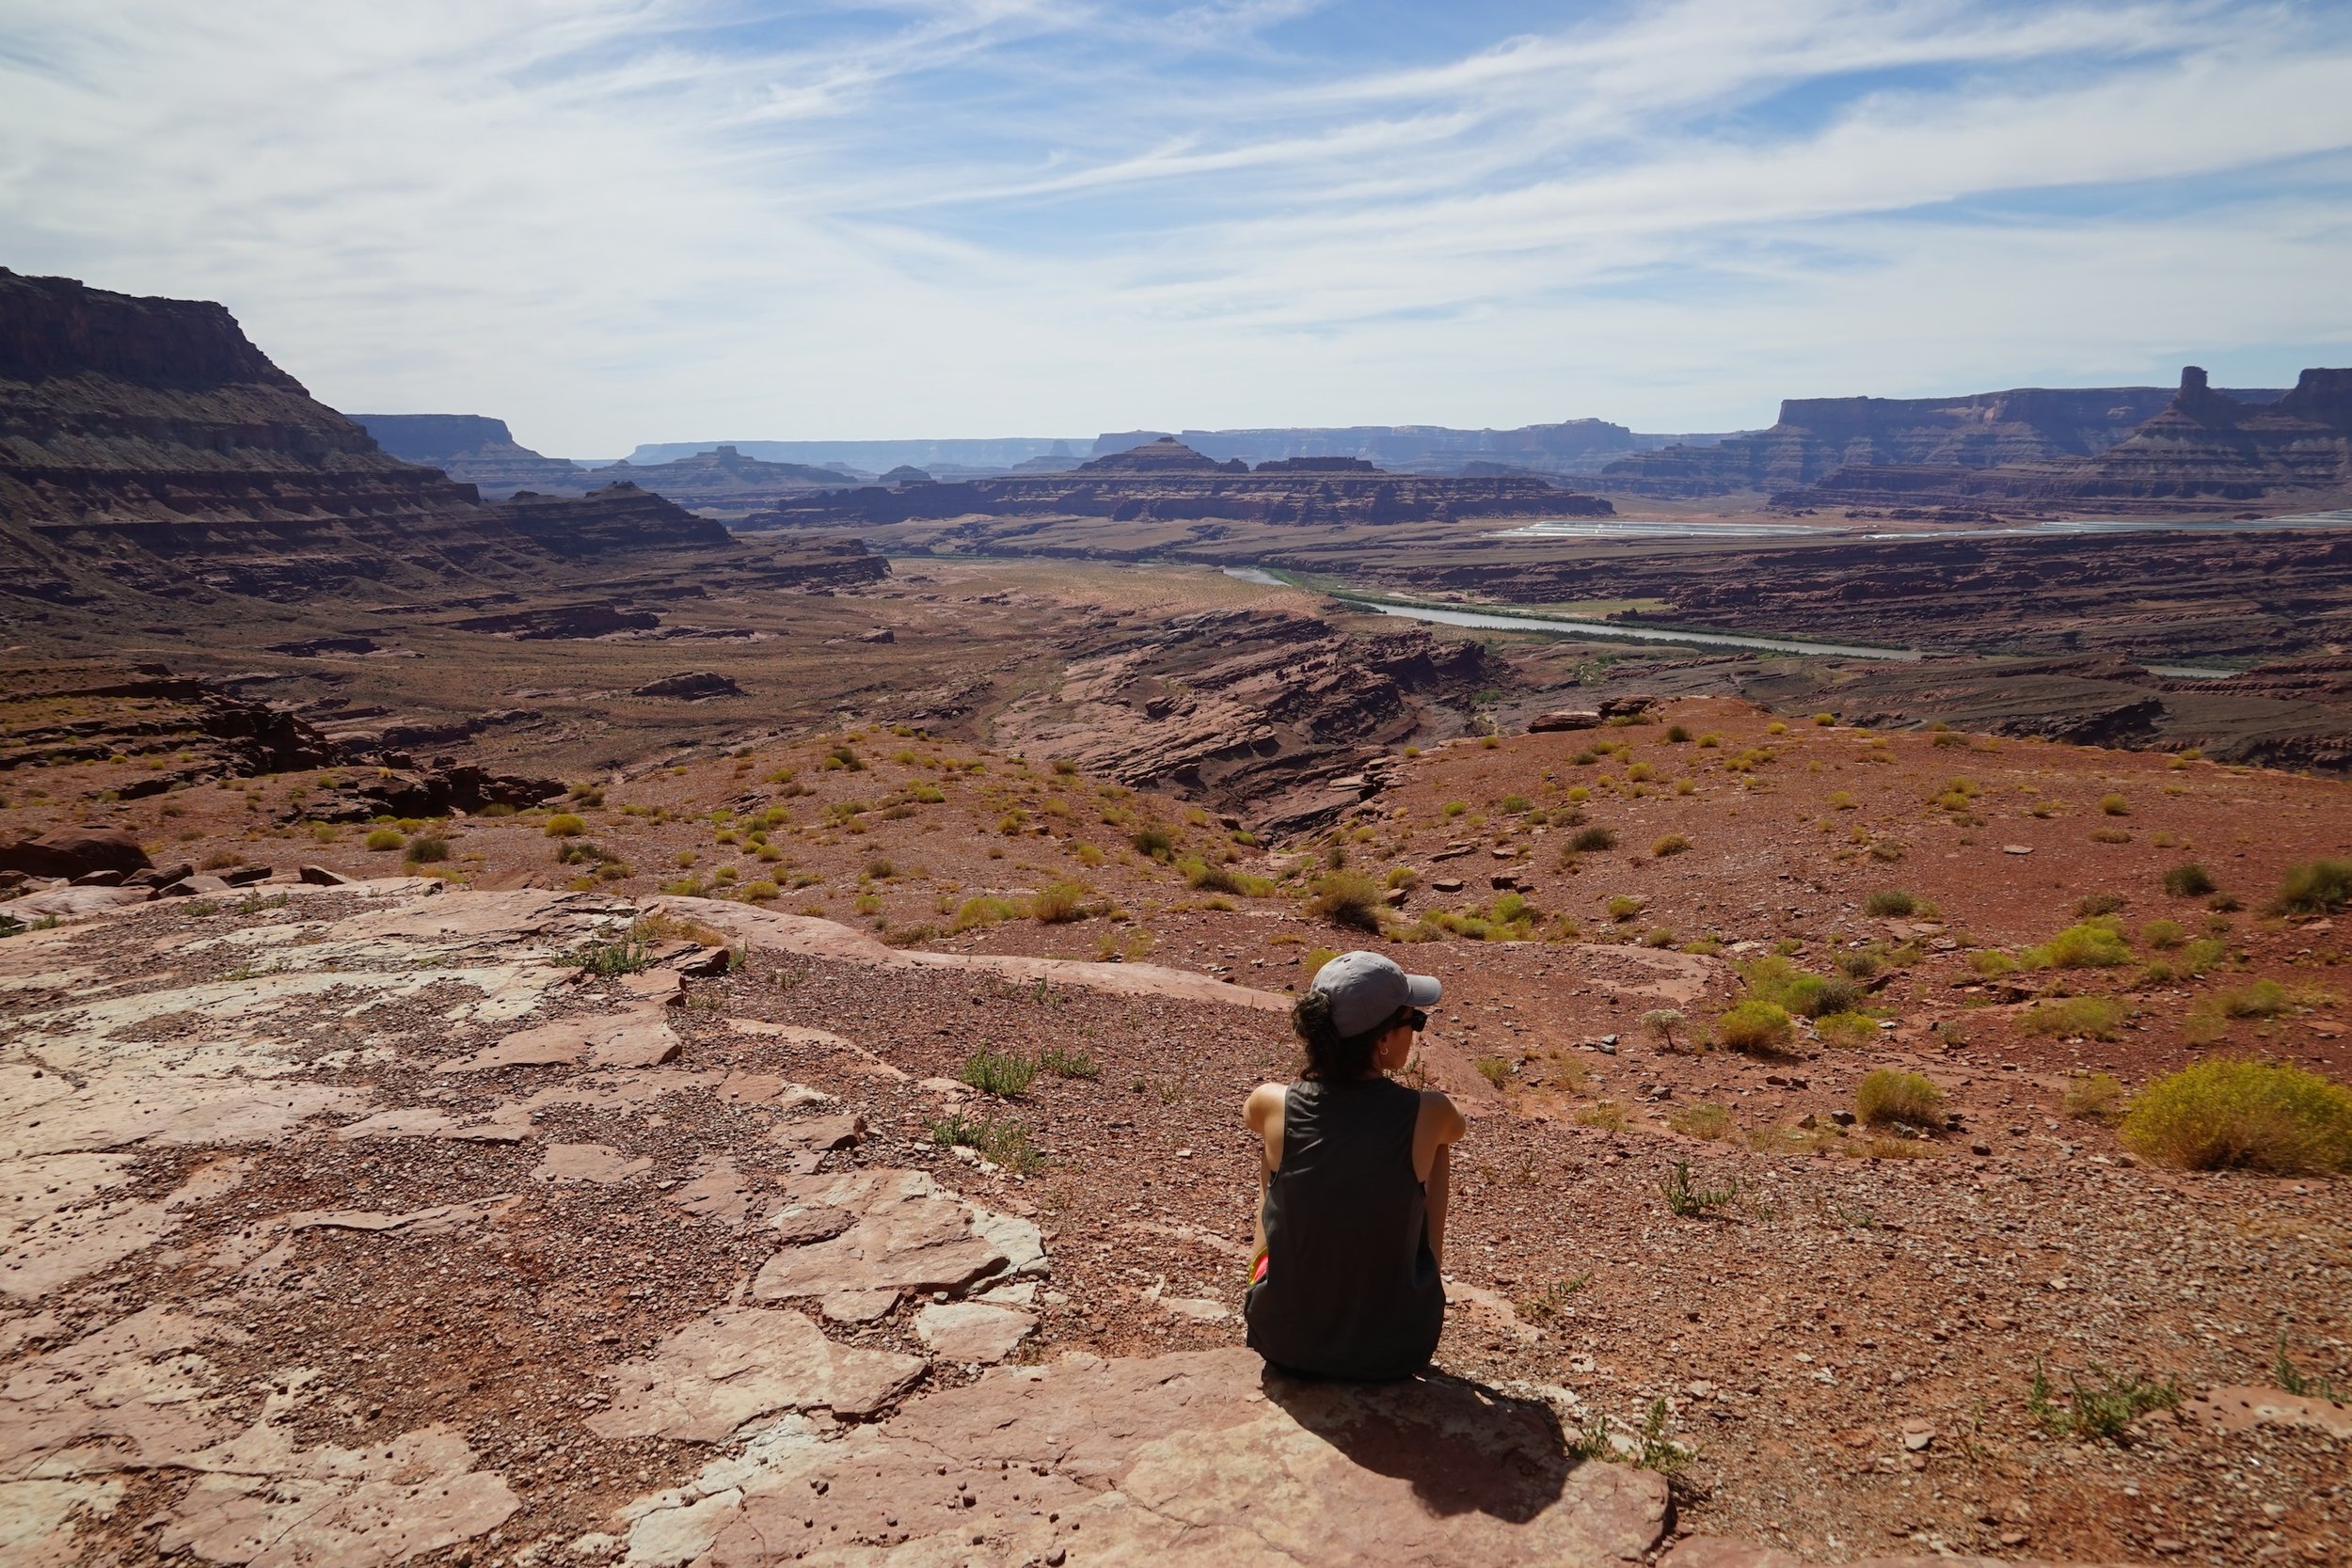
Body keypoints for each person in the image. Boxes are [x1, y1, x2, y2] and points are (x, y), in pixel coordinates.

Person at [1242, 950, 1467, 1381]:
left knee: (1275, 1159)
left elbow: (1251, 1120)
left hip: (1283, 1339)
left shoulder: (1272, 1102)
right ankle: (1425, 1278)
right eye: (1413, 1022)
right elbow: (1456, 1130)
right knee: (1436, 1150)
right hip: (1397, 1349)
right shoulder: (1429, 1111)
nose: (1416, 1033)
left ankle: (1272, 1279)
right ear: (1383, 1039)